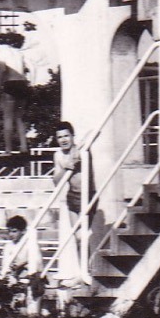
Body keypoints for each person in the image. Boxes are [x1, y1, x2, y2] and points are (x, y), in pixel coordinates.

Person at [50, 121, 89, 290]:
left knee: (86, 236)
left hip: (88, 195)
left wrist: (76, 153)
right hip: (72, 196)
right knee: (78, 237)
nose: (63, 139)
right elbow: (56, 181)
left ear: (72, 136)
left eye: (66, 135)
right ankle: (81, 274)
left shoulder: (79, 149)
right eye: (59, 137)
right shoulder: (58, 155)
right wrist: (65, 168)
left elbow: (92, 132)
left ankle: (87, 272)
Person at [0, 214, 45, 317]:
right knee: (16, 314)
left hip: (32, 281)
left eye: (14, 231)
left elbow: (37, 265)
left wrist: (21, 264)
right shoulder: (8, 246)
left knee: (33, 315)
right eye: (9, 231)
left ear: (23, 231)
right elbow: (6, 267)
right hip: (16, 283)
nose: (11, 234)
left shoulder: (31, 244)